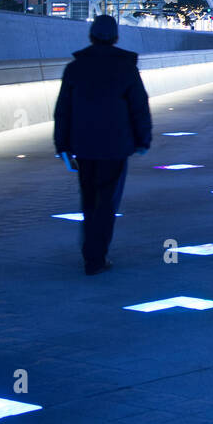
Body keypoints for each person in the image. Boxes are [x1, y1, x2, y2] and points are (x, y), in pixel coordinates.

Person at [53, 15, 151, 276]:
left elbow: (63, 110)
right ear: (116, 37)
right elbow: (139, 106)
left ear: (91, 36)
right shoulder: (126, 67)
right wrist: (143, 139)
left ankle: (91, 252)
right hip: (116, 144)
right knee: (107, 201)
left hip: (83, 145)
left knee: (89, 199)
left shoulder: (75, 68)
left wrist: (62, 144)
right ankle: (96, 256)